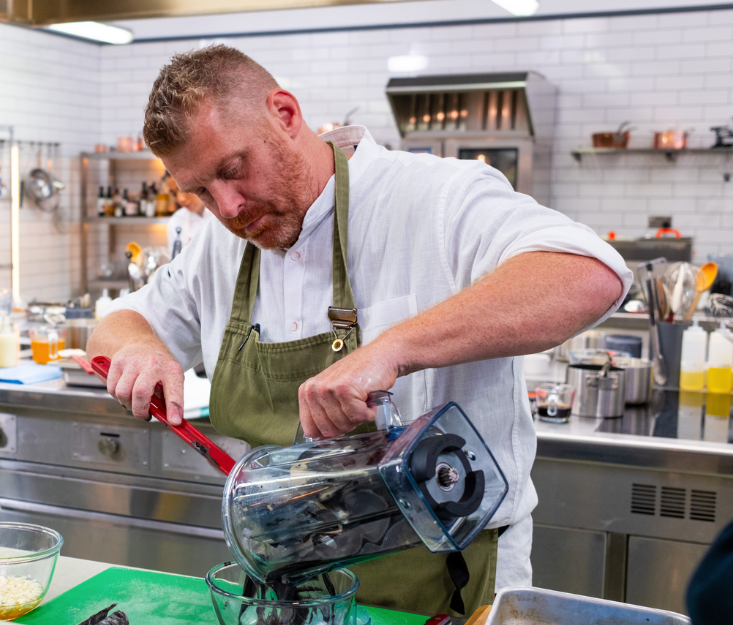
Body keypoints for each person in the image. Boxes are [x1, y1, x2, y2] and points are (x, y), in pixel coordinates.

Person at [86, 46, 632, 616]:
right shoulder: (222, 248)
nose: (228, 208)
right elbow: (121, 324)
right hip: (284, 584)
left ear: (285, 114)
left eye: (232, 169)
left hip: (441, 579)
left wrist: (392, 349)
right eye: (201, 191)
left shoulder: (435, 196)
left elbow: (589, 273)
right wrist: (140, 349)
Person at [165, 173, 209, 258]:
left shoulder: (222, 216)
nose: (180, 199)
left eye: (185, 191)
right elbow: (174, 262)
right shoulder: (176, 221)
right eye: (175, 193)